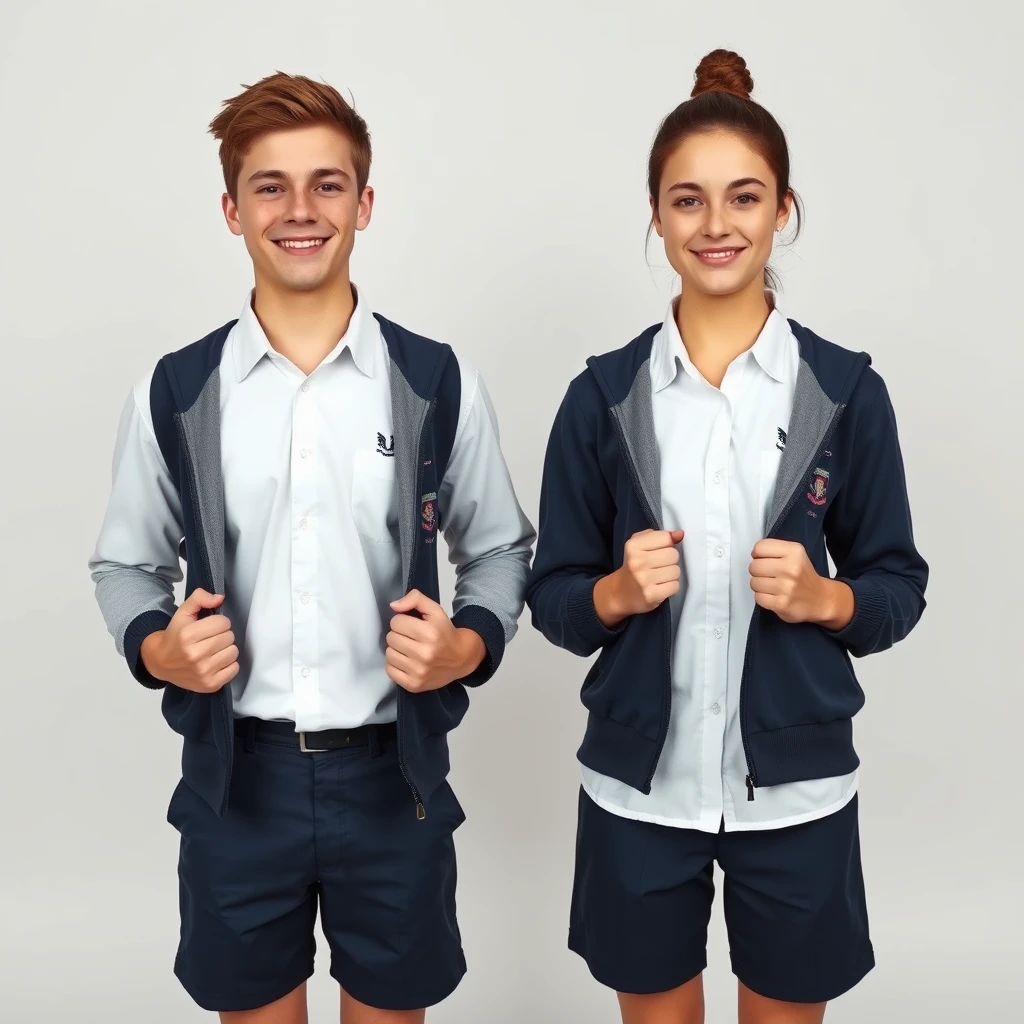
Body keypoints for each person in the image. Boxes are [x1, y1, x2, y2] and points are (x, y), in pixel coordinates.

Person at [88, 72, 535, 1024]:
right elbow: (127, 563)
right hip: (237, 783)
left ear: (365, 204)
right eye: (270, 186)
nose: (300, 210)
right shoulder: (177, 391)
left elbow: (498, 545)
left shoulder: (433, 379)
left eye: (328, 184)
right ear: (231, 208)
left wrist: (470, 644)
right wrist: (155, 648)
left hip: (394, 779)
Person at [525, 49, 928, 1024]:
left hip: (794, 797)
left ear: (781, 209)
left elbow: (896, 584)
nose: (716, 226)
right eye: (688, 201)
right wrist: (613, 594)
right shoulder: (601, 396)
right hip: (638, 795)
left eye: (742, 198)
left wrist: (828, 599)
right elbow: (553, 594)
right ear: (656, 215)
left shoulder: (844, 392)